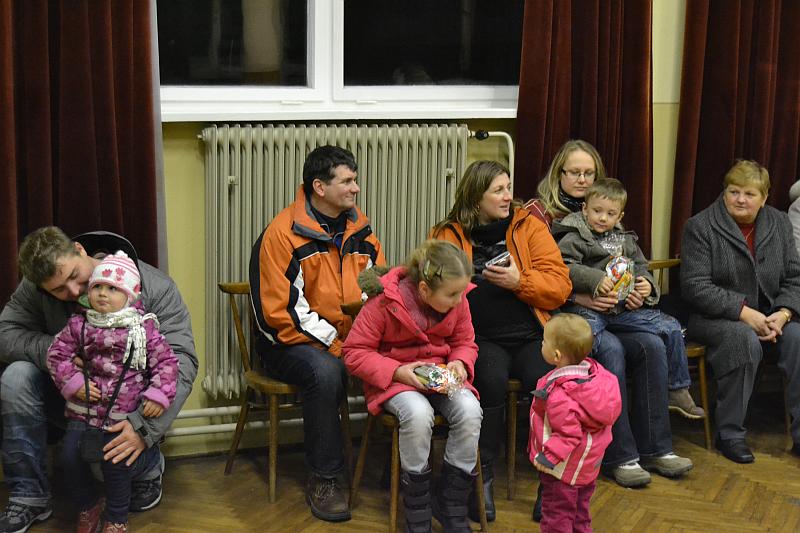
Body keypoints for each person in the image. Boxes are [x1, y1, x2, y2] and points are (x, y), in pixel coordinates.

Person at [0, 227, 197, 533]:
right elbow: (6, 333)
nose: (73, 291)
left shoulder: (156, 286)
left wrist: (143, 429)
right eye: (58, 290)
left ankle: (148, 468)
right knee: (15, 377)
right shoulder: (35, 285)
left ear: (79, 250)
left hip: (128, 411)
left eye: (74, 275)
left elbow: (181, 362)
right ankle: (29, 496)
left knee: (107, 466)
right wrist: (58, 354)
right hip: (73, 404)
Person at [528, 140, 692, 497]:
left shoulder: (608, 211)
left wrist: (642, 289)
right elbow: (540, 273)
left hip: (617, 312)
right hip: (570, 315)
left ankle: (658, 449)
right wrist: (579, 294)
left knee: (652, 345)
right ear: (558, 174)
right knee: (612, 350)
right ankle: (621, 457)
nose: (582, 179)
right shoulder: (541, 215)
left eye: (589, 173)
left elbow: (633, 264)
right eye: (575, 172)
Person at [431, 160, 572, 522]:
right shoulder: (447, 234)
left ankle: (551, 481)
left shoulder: (529, 226)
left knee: (550, 383)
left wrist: (519, 282)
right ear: (476, 196)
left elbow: (560, 287)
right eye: (498, 190)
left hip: (531, 335)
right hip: (478, 338)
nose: (508, 196)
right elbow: (431, 290)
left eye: (508, 187)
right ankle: (484, 477)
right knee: (489, 380)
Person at [252, 145, 385, 522]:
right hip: (288, 342)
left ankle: (402, 467)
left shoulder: (361, 231)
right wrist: (340, 346)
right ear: (319, 187)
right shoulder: (282, 235)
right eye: (347, 181)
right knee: (325, 373)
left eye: (355, 180)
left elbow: (376, 289)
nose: (356, 188)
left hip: (345, 339)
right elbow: (282, 314)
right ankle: (325, 478)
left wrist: (371, 338)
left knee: (404, 355)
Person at [343, 240, 482, 533]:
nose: (459, 300)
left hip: (440, 376)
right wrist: (397, 371)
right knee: (418, 415)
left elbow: (465, 342)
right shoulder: (384, 302)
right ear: (424, 290)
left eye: (461, 293)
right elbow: (354, 353)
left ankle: (451, 502)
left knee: (470, 410)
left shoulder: (459, 301)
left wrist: (460, 362)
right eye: (452, 294)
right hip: (395, 381)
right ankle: (417, 508)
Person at [47, 251, 178, 533]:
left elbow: (167, 363)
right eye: (97, 286)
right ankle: (88, 504)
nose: (103, 294)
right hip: (83, 411)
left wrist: (158, 394)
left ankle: (117, 518)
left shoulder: (143, 329)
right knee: (68, 457)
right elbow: (57, 355)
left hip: (123, 414)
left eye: (113, 288)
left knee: (116, 463)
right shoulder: (79, 324)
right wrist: (73, 382)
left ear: (130, 295)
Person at [553, 178, 702, 420]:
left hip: (624, 312)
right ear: (585, 209)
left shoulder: (625, 240)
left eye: (610, 214)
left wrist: (646, 287)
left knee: (672, 326)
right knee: (586, 337)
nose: (603, 218)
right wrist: (595, 279)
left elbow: (641, 267)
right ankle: (584, 389)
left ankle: (677, 389)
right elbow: (564, 266)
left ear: (619, 216)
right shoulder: (574, 236)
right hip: (590, 310)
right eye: (597, 211)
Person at [681, 159, 800, 463]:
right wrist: (744, 313)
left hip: (773, 315)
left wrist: (785, 313)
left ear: (764, 197)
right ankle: (730, 434)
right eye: (734, 192)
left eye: (749, 194)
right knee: (743, 339)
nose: (741, 200)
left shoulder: (779, 222)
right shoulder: (700, 226)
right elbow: (696, 287)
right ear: (724, 192)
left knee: (798, 338)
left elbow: (794, 277)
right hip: (715, 319)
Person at [529, 313, 621, 533]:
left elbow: (568, 435)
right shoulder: (597, 378)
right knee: (580, 514)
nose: (541, 344)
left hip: (562, 468)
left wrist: (548, 457)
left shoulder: (561, 395)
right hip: (586, 466)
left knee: (556, 517)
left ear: (556, 355)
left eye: (544, 341)